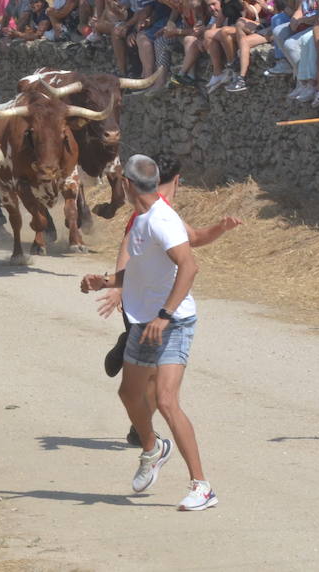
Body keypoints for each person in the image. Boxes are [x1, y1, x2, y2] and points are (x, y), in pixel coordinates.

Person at [78, 155, 216, 511]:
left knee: (167, 400)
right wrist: (105, 281)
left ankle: (201, 487)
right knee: (129, 394)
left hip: (173, 322)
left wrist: (165, 315)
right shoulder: (141, 220)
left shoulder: (162, 221)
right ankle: (153, 449)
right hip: (145, 322)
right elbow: (138, 272)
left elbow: (190, 266)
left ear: (126, 184)